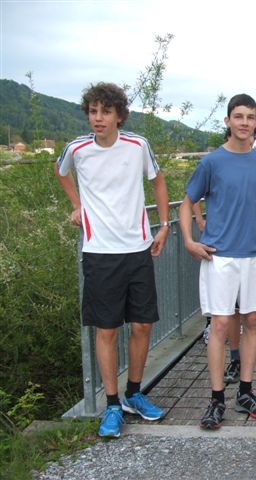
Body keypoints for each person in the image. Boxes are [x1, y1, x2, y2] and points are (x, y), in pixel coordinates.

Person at [55, 82, 169, 438]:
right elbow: (60, 171)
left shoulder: (138, 145)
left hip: (137, 248)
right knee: (106, 330)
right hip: (99, 252)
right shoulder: (77, 148)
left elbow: (158, 182)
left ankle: (134, 393)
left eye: (106, 111)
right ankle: (112, 404)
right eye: (93, 111)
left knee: (142, 325)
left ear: (119, 115)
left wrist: (165, 226)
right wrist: (77, 205)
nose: (98, 117)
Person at [179, 94, 256, 430]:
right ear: (227, 121)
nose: (244, 122)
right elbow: (186, 203)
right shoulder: (212, 162)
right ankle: (216, 400)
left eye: (250, 117)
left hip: (254, 255)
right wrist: (189, 242)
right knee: (221, 326)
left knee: (252, 321)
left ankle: (245, 393)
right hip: (220, 256)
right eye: (238, 116)